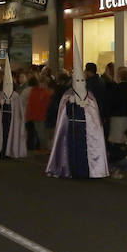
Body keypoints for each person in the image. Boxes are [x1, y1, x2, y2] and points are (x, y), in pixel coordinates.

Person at [46, 29, 108, 179]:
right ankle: (71, 170)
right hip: (71, 129)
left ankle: (87, 171)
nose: (80, 83)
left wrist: (86, 106)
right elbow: (62, 114)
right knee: (71, 150)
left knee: (84, 151)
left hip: (85, 130)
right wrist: (70, 104)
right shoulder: (67, 95)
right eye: (77, 81)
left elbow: (94, 118)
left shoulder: (91, 96)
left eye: (82, 80)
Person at [0, 56, 26, 159]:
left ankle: (9, 150)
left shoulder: (15, 96)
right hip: (1, 118)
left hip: (11, 118)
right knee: (0, 133)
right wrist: (0, 104)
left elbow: (18, 109)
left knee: (9, 134)